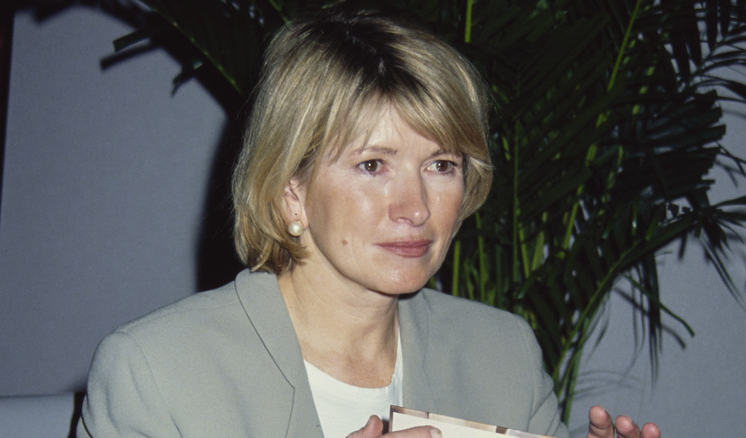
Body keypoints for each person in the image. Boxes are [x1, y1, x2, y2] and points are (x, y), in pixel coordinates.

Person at [77, 8, 660, 438]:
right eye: (372, 164)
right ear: (291, 192)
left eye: (441, 164)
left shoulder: (502, 355)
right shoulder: (155, 373)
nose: (416, 207)